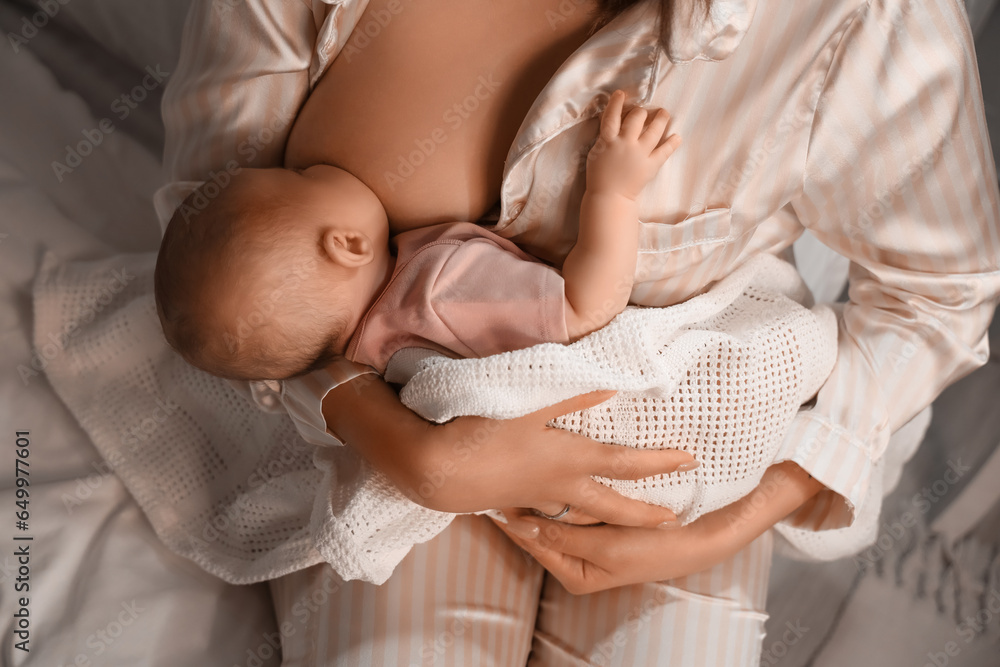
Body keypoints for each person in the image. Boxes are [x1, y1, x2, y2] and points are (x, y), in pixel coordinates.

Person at [156, 0, 1000, 663]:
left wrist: (734, 522)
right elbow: (219, 241)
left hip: (665, 457)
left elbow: (941, 297)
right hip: (403, 444)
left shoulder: (863, 20)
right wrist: (393, 439)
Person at [154, 92, 682, 381]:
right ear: (348, 244)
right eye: (299, 177)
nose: (307, 165)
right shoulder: (437, 288)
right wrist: (614, 194)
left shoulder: (379, 354)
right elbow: (584, 309)